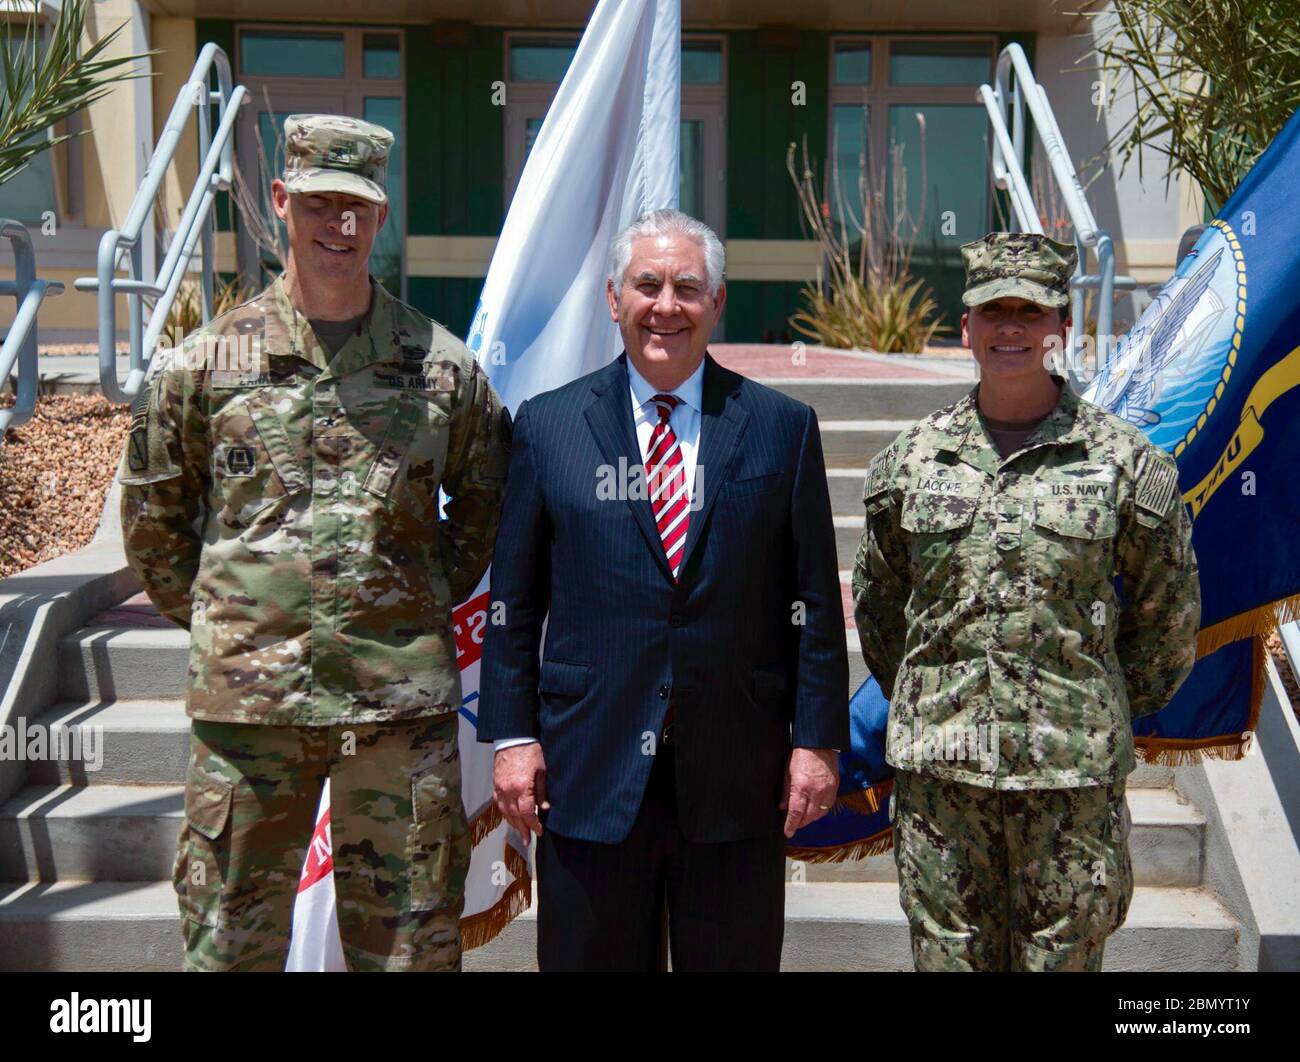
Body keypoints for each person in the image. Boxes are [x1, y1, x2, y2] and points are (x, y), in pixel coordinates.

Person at [119, 114, 512, 971]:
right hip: (248, 716)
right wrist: (241, 626)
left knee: (409, 950)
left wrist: (405, 604)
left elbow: (485, 505)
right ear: (280, 202)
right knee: (229, 944)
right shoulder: (201, 366)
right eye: (322, 205)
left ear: (380, 218)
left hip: (395, 710)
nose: (340, 227)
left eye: (359, 209)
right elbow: (155, 525)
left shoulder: (441, 368)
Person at [478, 208, 849, 971]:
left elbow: (811, 605)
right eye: (648, 285)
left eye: (688, 287)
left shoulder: (783, 429)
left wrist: (816, 741)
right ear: (614, 299)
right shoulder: (548, 428)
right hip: (589, 772)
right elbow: (514, 604)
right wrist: (513, 738)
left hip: (735, 777)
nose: (666, 306)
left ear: (717, 304)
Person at [852, 231, 1201, 972]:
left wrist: (1086, 706)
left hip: (1071, 791)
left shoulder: (1124, 464)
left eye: (1032, 311)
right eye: (993, 310)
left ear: (1062, 328)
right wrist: (941, 702)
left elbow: (1168, 620)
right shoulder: (909, 464)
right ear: (966, 329)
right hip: (944, 784)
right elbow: (882, 616)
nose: (1012, 327)